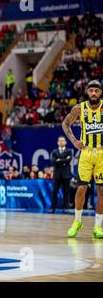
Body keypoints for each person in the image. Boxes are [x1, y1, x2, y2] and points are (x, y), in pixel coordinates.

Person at [62, 80, 103, 239]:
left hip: (101, 153)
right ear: (87, 91)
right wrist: (73, 141)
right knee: (81, 188)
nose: (94, 93)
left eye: (96, 91)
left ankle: (98, 227)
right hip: (86, 153)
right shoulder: (79, 108)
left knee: (101, 190)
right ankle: (77, 221)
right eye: (91, 90)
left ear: (100, 93)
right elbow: (65, 124)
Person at [50, 136, 73, 213]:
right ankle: (52, 207)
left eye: (63, 141)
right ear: (57, 142)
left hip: (66, 174)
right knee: (55, 191)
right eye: (60, 141)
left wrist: (59, 160)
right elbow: (53, 162)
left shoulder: (69, 151)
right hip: (57, 175)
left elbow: (69, 160)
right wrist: (64, 160)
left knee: (66, 191)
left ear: (65, 142)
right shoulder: (54, 152)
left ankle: (66, 207)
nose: (61, 142)